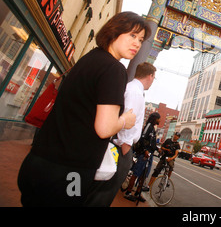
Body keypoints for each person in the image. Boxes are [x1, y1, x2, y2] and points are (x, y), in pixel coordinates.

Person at [17, 12, 151, 207]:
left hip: (38, 161)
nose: (137, 44)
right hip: (70, 172)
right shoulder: (114, 69)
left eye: (140, 39)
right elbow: (104, 128)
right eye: (132, 35)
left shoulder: (90, 58)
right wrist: (125, 121)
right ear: (114, 32)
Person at [84, 62, 156, 206]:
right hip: (120, 147)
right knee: (106, 190)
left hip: (119, 144)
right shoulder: (135, 92)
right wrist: (126, 145)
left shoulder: (131, 88)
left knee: (102, 188)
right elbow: (129, 118)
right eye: (154, 77)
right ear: (150, 76)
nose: (153, 81)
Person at [123, 112, 161, 202]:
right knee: (136, 173)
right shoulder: (148, 126)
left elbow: (151, 143)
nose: (160, 120)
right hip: (144, 155)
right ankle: (128, 193)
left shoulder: (153, 129)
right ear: (155, 118)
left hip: (150, 155)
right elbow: (142, 138)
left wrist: (157, 149)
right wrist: (145, 150)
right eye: (159, 118)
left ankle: (137, 193)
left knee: (143, 176)